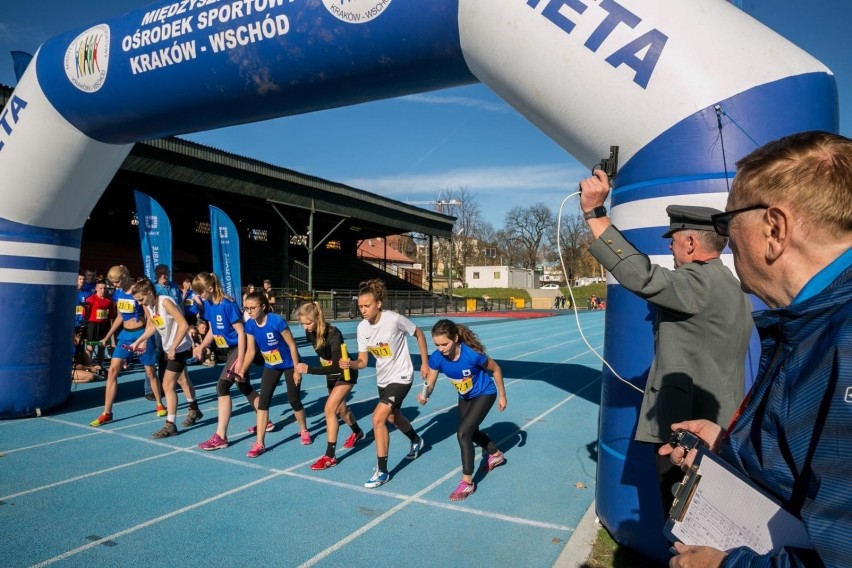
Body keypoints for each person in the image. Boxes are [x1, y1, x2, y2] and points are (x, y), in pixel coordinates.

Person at [659, 131, 852, 568]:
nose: (725, 242)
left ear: (774, 229)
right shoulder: (815, 320)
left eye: (728, 225)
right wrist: (731, 448)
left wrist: (724, 565)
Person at [578, 171, 754, 517]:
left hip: (688, 433)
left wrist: (595, 213)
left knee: (683, 521)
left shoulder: (698, 282)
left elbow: (641, 276)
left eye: (672, 242)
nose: (670, 249)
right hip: (718, 425)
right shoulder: (730, 285)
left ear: (690, 243)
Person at [339, 278, 429, 488]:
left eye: (367, 305)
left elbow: (419, 333)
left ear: (378, 303)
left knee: (377, 418)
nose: (363, 309)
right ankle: (416, 440)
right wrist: (350, 363)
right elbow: (363, 362)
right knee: (392, 416)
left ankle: (382, 471)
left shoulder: (394, 319)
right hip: (383, 378)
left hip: (402, 376)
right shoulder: (362, 328)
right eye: (360, 306)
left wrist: (425, 362)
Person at [418, 319, 508, 501]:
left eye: (445, 344)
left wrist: (502, 395)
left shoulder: (472, 355)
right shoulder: (437, 357)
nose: (441, 348)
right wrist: (425, 394)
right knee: (471, 432)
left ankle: (467, 482)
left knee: (462, 433)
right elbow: (431, 381)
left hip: (485, 393)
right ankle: (496, 454)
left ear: (456, 338)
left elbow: (496, 369)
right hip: (465, 396)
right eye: (437, 344)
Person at [89, 265, 164, 427]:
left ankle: (159, 403)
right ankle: (107, 412)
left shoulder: (138, 290)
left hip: (141, 333)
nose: (114, 285)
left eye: (116, 282)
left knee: (150, 372)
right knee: (112, 372)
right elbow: (120, 317)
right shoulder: (118, 293)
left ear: (124, 278)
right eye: (113, 282)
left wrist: (144, 339)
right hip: (125, 336)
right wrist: (107, 336)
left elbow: (149, 316)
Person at [295, 301, 365, 471]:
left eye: (308, 323)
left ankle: (330, 456)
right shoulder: (310, 333)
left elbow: (336, 365)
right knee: (341, 410)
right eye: (302, 323)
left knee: (329, 410)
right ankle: (357, 432)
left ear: (318, 319)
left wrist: (309, 369)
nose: (305, 327)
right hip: (330, 375)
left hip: (345, 373)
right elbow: (328, 364)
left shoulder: (334, 334)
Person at [130, 278, 203, 438]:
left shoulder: (165, 302)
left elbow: (183, 324)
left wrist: (173, 347)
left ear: (149, 293)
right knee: (182, 380)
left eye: (141, 299)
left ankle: (170, 425)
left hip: (179, 347)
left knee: (167, 385)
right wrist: (138, 341)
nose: (141, 303)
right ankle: (195, 409)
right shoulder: (150, 305)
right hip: (171, 347)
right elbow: (155, 326)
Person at [236, 290, 304, 458]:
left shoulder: (276, 321)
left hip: (289, 364)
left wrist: (297, 370)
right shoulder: (250, 325)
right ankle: (260, 443)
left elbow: (292, 346)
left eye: (252, 308)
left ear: (263, 307)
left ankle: (304, 430)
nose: (249, 311)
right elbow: (251, 350)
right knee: (263, 402)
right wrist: (243, 369)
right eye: (246, 309)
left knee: (294, 400)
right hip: (271, 365)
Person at [193, 272, 251, 452]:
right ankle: (265, 419)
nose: (198, 296)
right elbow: (212, 329)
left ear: (209, 289)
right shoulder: (209, 305)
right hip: (226, 350)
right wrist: (202, 346)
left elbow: (241, 332)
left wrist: (241, 360)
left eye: (200, 292)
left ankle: (221, 436)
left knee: (222, 387)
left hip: (238, 349)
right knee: (244, 386)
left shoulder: (228, 304)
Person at [84, 280, 113, 367]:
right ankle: (89, 365)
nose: (102, 290)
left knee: (102, 345)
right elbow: (84, 313)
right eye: (100, 288)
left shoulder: (109, 300)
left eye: (104, 288)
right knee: (90, 346)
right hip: (93, 325)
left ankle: (101, 364)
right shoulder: (91, 299)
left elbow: (111, 314)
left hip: (104, 325)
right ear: (96, 289)